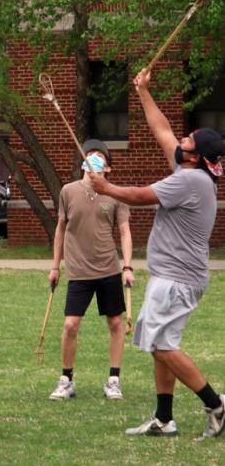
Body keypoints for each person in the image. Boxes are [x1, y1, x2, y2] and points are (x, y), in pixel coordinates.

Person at [91, 68, 225, 438]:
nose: (182, 138)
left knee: (159, 343)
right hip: (174, 277)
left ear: (196, 156)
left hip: (178, 280)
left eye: (190, 138)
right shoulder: (192, 169)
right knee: (161, 344)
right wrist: (143, 91)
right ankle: (164, 418)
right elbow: (162, 129)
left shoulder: (189, 180)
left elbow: (140, 196)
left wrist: (105, 187)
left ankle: (216, 404)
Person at [48, 139, 134, 400]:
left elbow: (124, 231)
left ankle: (113, 380)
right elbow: (61, 229)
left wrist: (127, 266)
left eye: (100, 156)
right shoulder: (68, 191)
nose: (94, 158)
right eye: (90, 155)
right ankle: (66, 380)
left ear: (107, 168)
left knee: (116, 322)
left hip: (108, 268)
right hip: (78, 271)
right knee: (71, 325)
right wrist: (55, 266)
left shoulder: (116, 195)